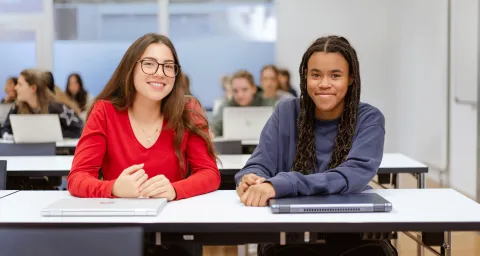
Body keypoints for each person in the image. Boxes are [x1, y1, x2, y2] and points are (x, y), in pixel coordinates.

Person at [234, 36, 397, 255]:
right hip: (290, 232)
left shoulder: (369, 119)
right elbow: (260, 163)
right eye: (315, 75)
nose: (324, 84)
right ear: (305, 77)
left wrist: (282, 184)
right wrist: (250, 178)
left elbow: (353, 174)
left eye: (335, 75)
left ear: (350, 78)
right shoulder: (286, 112)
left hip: (353, 232)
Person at [67, 33, 220, 255]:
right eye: (149, 64)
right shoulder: (105, 112)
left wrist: (174, 190)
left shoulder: (188, 110)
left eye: (169, 66)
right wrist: (114, 188)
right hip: (118, 229)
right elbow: (77, 178)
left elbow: (209, 173)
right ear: (131, 68)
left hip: (174, 232)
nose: (160, 73)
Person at [0, 69, 83, 139]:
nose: (15, 87)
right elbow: (5, 128)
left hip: (54, 154)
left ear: (33, 88)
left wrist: (56, 133)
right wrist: (8, 136)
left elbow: (80, 129)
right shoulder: (17, 107)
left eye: (20, 84)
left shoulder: (56, 108)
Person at [210, 70, 271, 137]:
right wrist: (211, 133)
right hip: (233, 146)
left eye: (245, 89)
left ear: (254, 89)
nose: (240, 95)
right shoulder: (226, 106)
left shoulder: (267, 104)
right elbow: (215, 126)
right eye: (235, 91)